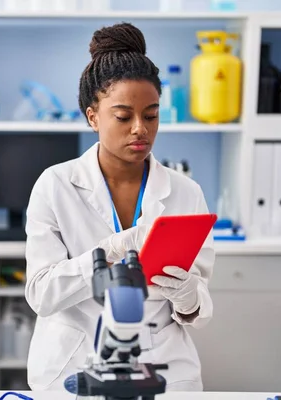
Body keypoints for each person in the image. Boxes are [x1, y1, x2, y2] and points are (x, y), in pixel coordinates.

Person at [24, 22, 215, 392]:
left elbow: (199, 309)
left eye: (152, 115)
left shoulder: (186, 193)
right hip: (76, 361)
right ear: (93, 116)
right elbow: (41, 294)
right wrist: (107, 252)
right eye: (123, 116)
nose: (140, 129)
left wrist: (188, 295)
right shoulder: (55, 185)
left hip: (162, 367)